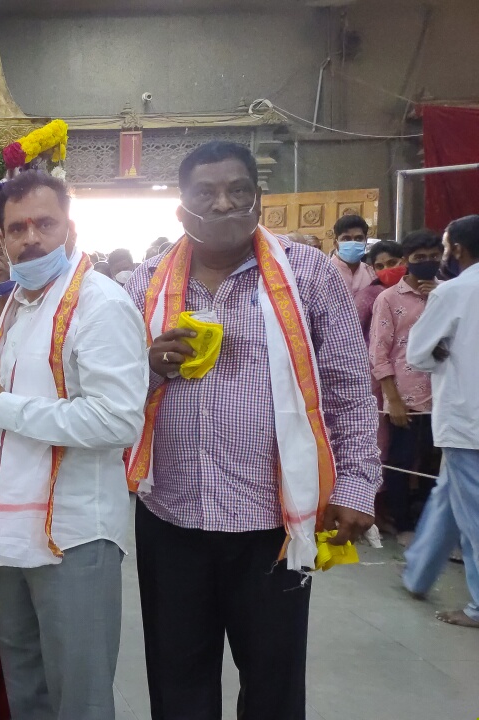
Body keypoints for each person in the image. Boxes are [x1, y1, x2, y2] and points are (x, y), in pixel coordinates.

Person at [124, 142, 380, 719]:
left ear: (258, 199)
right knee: (176, 679)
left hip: (273, 522)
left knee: (273, 684)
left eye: (238, 190)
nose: (223, 204)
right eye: (205, 193)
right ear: (181, 208)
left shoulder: (308, 274)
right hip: (171, 517)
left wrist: (356, 485)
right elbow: (110, 396)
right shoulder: (143, 286)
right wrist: (148, 367)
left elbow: (346, 387)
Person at [0, 171, 148, 720]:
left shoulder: (100, 304)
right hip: (7, 529)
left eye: (44, 223)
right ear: (4, 238)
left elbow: (117, 421)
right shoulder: (15, 305)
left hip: (73, 537)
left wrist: (1, 408)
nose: (30, 238)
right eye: (17, 228)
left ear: (69, 228)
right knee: (27, 686)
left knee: (77, 695)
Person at [406, 214, 479, 629]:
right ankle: (419, 570)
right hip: (468, 421)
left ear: (459, 250)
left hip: (468, 418)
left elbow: (417, 353)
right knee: (450, 496)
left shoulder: (453, 292)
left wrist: (440, 352)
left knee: (474, 517)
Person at [370, 230, 443, 541]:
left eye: (432, 257)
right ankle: (403, 524)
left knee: (433, 463)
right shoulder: (388, 298)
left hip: (444, 396)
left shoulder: (447, 293)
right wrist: (393, 399)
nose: (426, 263)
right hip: (404, 395)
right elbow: (380, 351)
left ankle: (428, 524)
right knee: (400, 461)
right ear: (406, 262)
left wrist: (437, 296)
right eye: (419, 258)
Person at [355, 239, 405, 339]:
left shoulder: (417, 290)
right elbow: (354, 331)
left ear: (404, 261)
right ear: (373, 268)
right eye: (379, 266)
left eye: (392, 263)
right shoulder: (367, 296)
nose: (386, 269)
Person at [331, 214, 377, 295]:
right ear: (335, 243)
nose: (353, 243)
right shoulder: (324, 272)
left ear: (365, 242)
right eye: (346, 238)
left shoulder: (372, 273)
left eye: (358, 238)